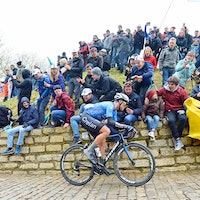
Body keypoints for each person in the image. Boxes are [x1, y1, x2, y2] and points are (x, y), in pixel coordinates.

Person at [81, 93, 133, 166]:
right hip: (86, 116)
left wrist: (126, 129)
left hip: (93, 120)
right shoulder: (110, 105)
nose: (125, 106)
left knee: (103, 141)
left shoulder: (114, 111)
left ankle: (101, 165)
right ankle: (88, 151)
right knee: (106, 131)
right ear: (120, 101)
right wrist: (126, 127)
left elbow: (114, 125)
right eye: (125, 104)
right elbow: (111, 122)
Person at [156, 76, 189, 150]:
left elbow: (186, 100)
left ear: (176, 85)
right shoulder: (164, 89)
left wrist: (184, 109)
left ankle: (177, 137)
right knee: (171, 120)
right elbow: (155, 93)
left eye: (172, 85)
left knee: (183, 119)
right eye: (169, 84)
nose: (170, 86)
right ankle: (177, 139)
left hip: (180, 108)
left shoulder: (181, 91)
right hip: (169, 109)